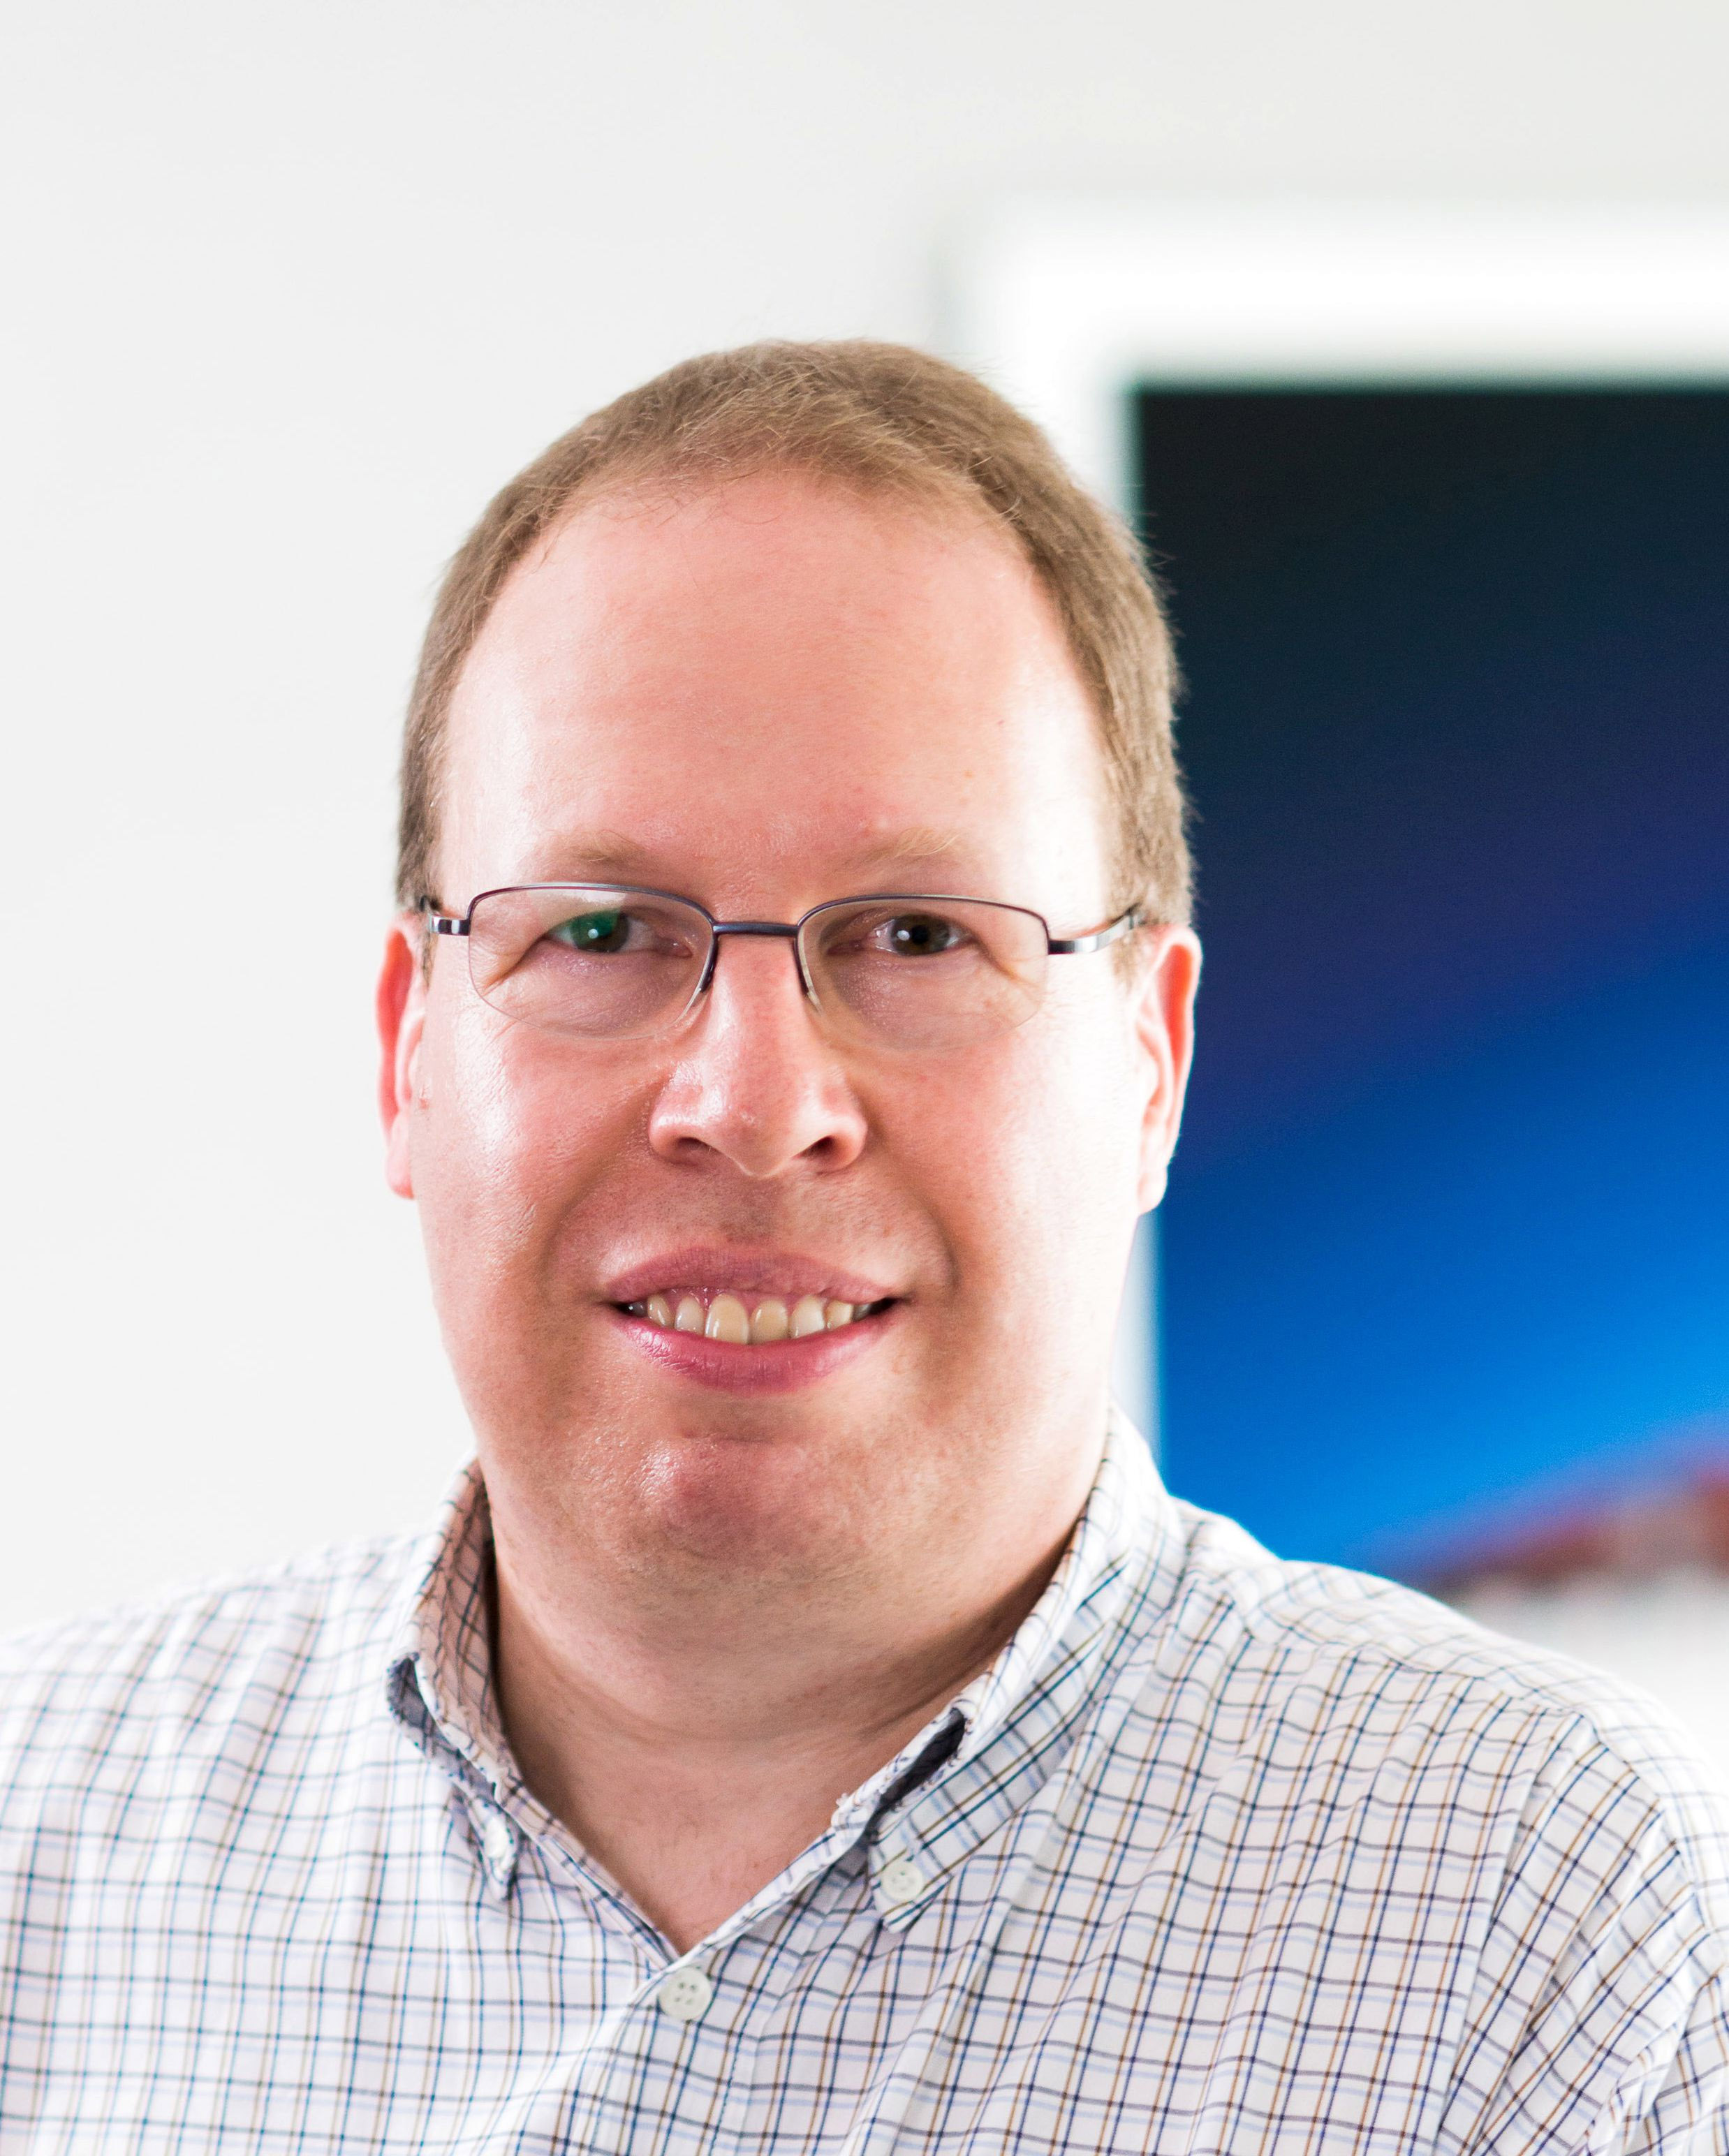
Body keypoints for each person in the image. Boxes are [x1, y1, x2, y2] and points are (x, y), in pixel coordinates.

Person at [1, 342, 1724, 2154]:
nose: (751, 1102)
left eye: (911, 936)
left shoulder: (1548, 1936)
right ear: (405, 1049)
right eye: (598, 930)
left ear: (1146, 1061)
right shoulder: (43, 1840)